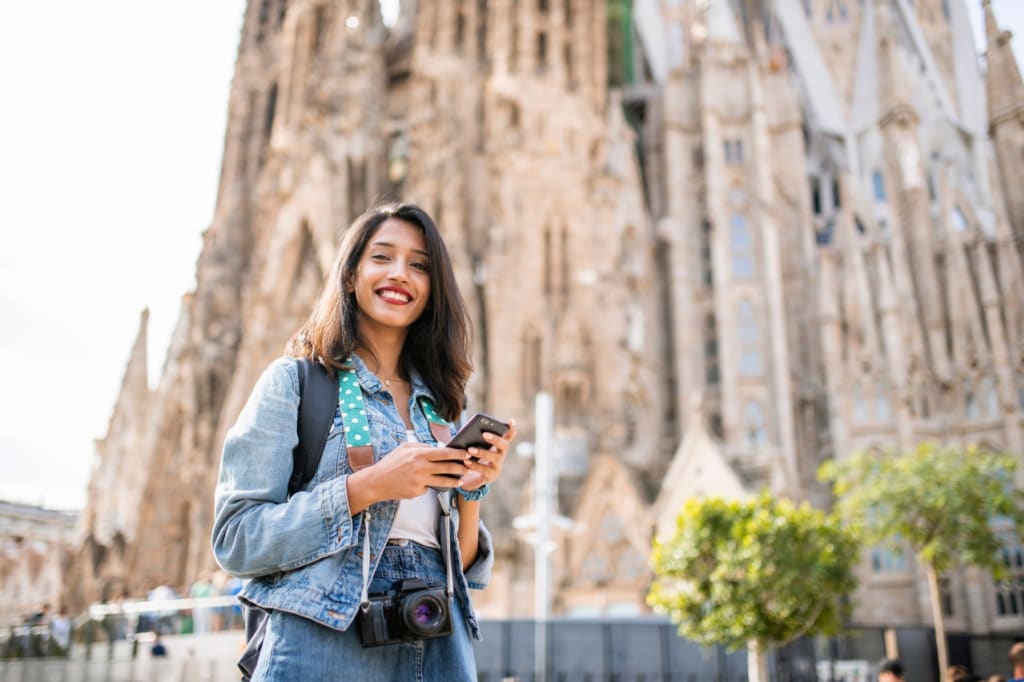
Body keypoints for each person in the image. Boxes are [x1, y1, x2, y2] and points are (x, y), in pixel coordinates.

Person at [212, 202, 516, 681]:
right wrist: (368, 487)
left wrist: (471, 492)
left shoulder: (438, 410)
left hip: (437, 646)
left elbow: (465, 569)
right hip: (325, 644)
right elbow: (236, 539)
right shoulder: (295, 383)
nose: (401, 273)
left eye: (419, 265)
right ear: (350, 276)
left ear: (433, 291)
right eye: (382, 257)